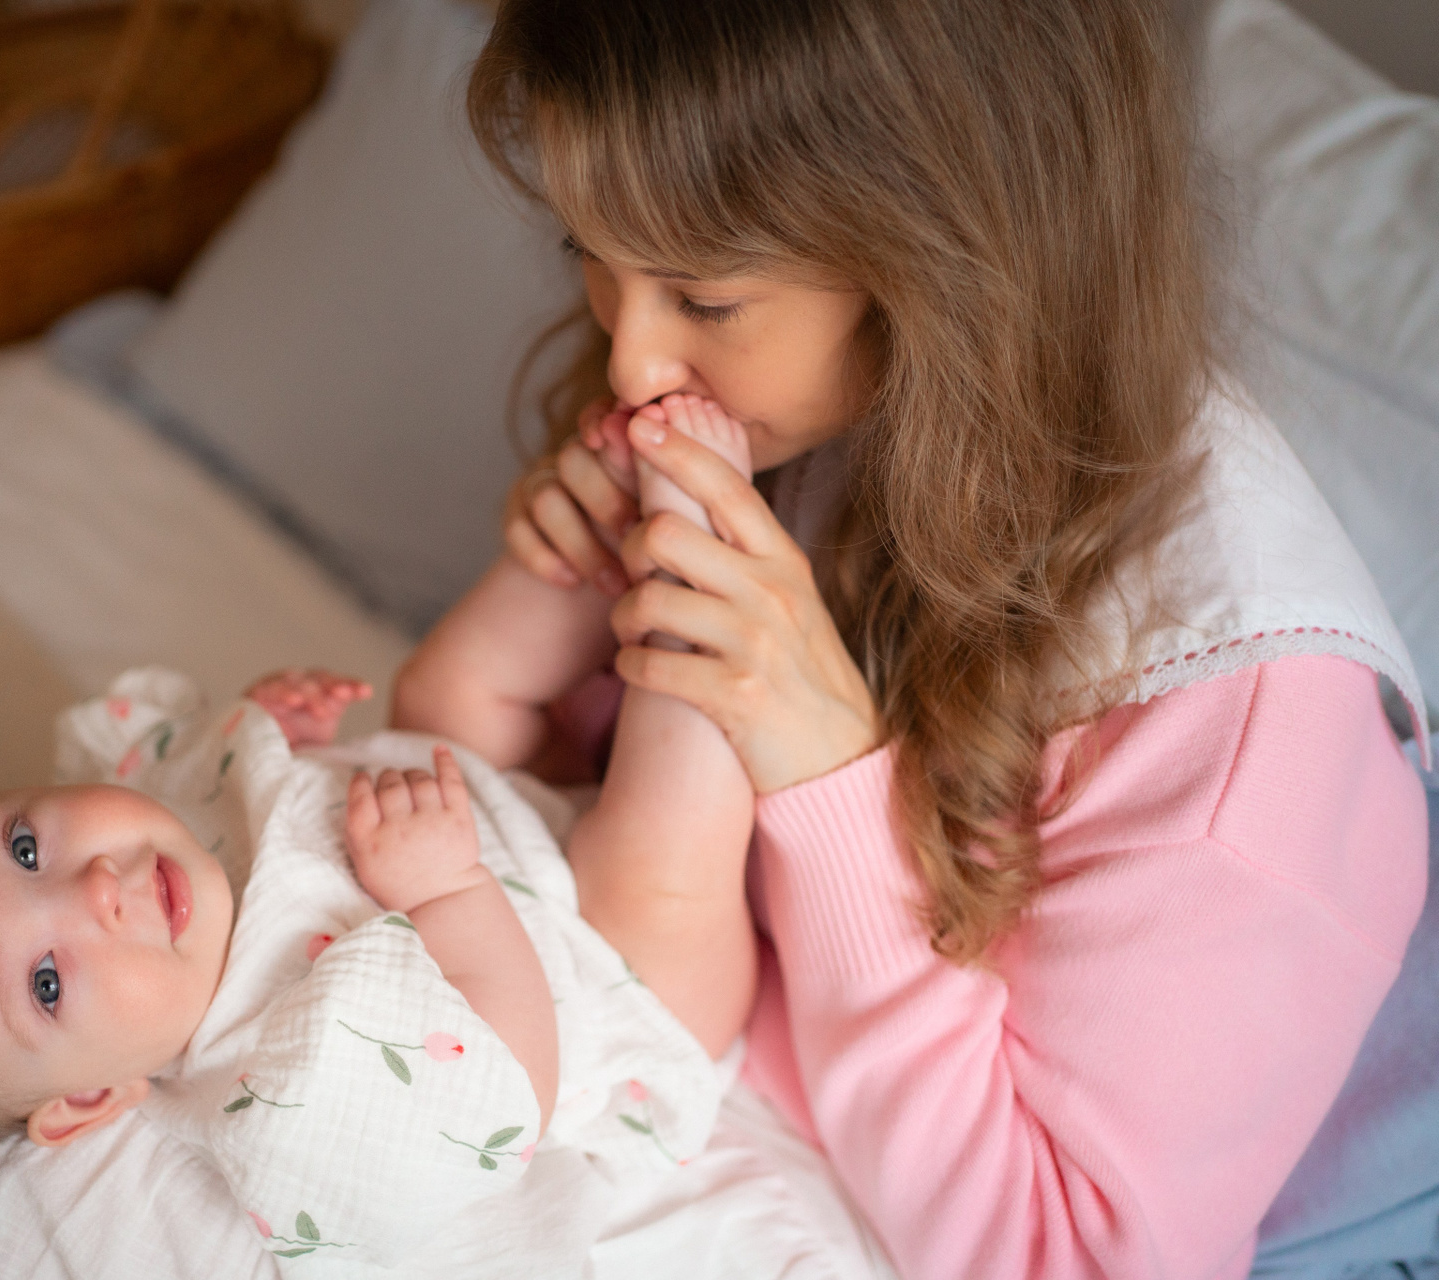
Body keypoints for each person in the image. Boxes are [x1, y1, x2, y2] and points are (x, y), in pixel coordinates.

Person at [392, 1, 1431, 1276]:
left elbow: (1063, 1256)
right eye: (590, 252)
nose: (630, 358)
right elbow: (567, 835)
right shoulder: (825, 411)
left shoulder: (1242, 748)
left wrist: (830, 782)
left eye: (703, 296)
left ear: (944, 265)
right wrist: (573, 593)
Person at [0, 666, 719, 1270]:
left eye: (24, 847)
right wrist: (450, 891)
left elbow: (211, 762)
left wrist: (279, 729)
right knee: (661, 843)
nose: (95, 889)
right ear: (89, 1096)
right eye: (47, 983)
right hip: (612, 970)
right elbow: (509, 1089)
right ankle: (709, 585)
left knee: (456, 670)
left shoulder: (154, 817)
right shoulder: (280, 1081)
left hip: (468, 783)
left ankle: (608, 506)